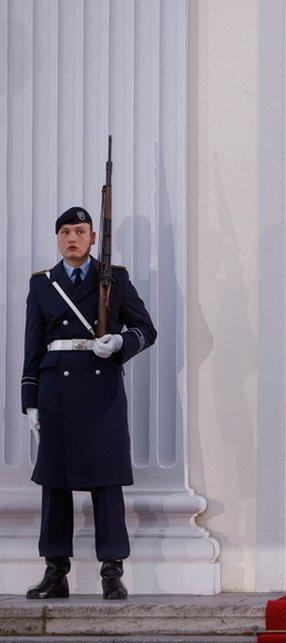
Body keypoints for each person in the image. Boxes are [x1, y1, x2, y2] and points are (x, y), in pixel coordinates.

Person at [21, 206, 157, 600]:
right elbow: (33, 345)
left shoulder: (114, 279)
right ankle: (55, 570)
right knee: (55, 483)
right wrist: (30, 399)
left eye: (80, 231)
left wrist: (119, 343)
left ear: (94, 237)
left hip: (102, 391)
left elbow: (146, 329)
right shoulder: (43, 284)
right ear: (58, 238)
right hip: (56, 392)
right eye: (65, 231)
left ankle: (112, 570)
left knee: (106, 482)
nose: (72, 238)